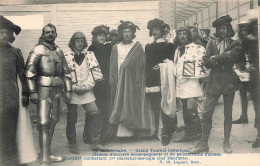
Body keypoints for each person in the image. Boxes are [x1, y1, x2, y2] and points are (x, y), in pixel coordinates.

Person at [190, 15, 241, 154]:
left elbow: (233, 57)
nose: (222, 31)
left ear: (228, 29)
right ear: (217, 30)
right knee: (207, 113)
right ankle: (204, 144)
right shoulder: (211, 43)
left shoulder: (235, 43)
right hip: (213, 81)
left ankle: (226, 142)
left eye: (224, 28)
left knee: (228, 113)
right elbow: (205, 60)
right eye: (219, 28)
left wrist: (216, 58)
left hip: (229, 81)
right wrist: (218, 61)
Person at [26, 23, 72, 166]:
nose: (50, 34)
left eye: (52, 32)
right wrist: (32, 91)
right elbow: (29, 72)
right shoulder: (38, 49)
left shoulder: (59, 51)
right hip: (43, 89)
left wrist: (68, 90)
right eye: (47, 32)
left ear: (56, 34)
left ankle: (47, 153)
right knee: (44, 122)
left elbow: (66, 72)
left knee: (54, 120)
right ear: (43, 34)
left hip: (57, 90)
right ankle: (44, 158)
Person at [108, 20, 154, 138]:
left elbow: (142, 65)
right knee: (120, 104)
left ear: (133, 33)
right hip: (119, 80)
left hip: (133, 82)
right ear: (121, 34)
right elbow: (113, 65)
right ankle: (121, 132)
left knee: (132, 105)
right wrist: (114, 79)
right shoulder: (115, 47)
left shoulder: (137, 47)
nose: (127, 34)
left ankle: (133, 131)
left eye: (129, 32)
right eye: (124, 32)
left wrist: (139, 80)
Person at [64, 32, 107, 153]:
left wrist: (87, 86)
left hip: (87, 90)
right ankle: (72, 144)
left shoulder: (90, 55)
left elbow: (94, 73)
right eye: (77, 41)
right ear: (73, 42)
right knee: (71, 118)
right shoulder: (66, 56)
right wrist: (74, 86)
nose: (79, 43)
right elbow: (65, 75)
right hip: (73, 91)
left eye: (82, 41)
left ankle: (95, 143)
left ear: (84, 43)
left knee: (95, 114)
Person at [0, 15, 29, 166]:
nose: (4, 35)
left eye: (7, 32)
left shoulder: (16, 52)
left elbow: (23, 75)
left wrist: (25, 93)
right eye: (1, 32)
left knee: (11, 130)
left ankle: (11, 159)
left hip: (11, 98)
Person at [145, 18, 177, 146]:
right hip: (151, 79)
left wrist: (161, 66)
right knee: (154, 106)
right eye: (152, 30)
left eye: (157, 29)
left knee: (164, 105)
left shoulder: (169, 46)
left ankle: (166, 132)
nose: (154, 32)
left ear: (162, 30)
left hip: (164, 79)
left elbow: (171, 63)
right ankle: (156, 130)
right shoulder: (148, 46)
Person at [173, 27, 205, 143]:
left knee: (192, 110)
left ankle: (198, 135)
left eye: (184, 34)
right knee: (185, 111)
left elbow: (200, 66)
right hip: (181, 84)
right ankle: (188, 134)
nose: (182, 36)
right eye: (180, 34)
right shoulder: (177, 50)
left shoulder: (196, 48)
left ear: (189, 35)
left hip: (192, 84)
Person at [87, 25, 112, 141]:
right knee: (96, 110)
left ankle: (99, 135)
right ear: (95, 36)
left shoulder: (106, 48)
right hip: (97, 84)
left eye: (104, 35)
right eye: (99, 35)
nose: (102, 37)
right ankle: (93, 136)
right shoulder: (92, 49)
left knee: (103, 109)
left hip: (105, 82)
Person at [232, 21, 250, 124]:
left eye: (245, 30)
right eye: (242, 30)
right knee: (243, 94)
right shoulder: (239, 42)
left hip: (252, 70)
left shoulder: (252, 42)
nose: (243, 32)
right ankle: (244, 116)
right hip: (243, 71)